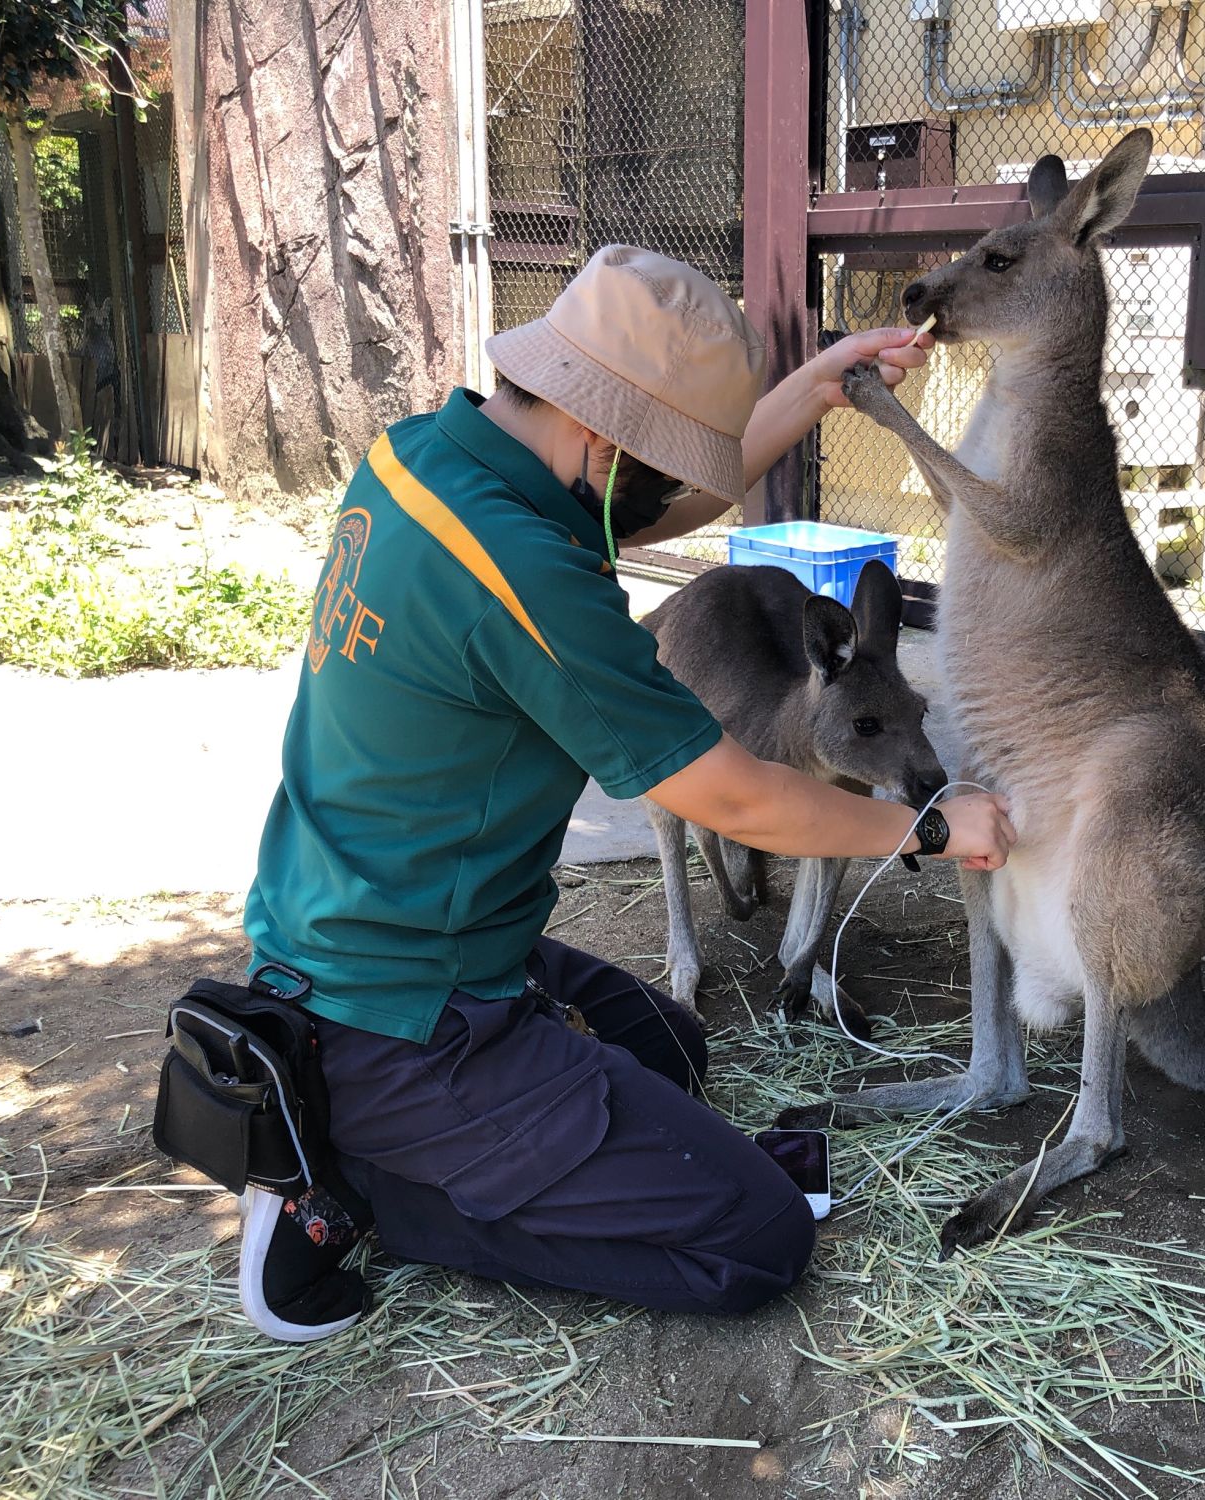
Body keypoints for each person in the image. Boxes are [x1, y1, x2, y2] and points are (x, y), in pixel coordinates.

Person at [236, 245, 1016, 1342]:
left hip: (369, 931)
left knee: (669, 1051)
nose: (667, 504)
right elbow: (736, 800)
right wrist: (927, 828)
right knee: (754, 1239)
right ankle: (357, 1187)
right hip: (405, 1008)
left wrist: (820, 382)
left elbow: (636, 507)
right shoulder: (530, 573)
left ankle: (406, 1122)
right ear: (598, 441)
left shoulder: (430, 457)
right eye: (655, 471)